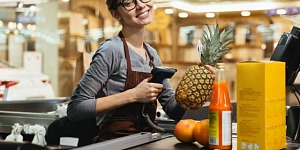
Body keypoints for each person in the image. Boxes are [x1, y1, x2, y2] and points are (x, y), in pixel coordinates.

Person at [67, 0, 216, 142]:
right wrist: (133, 95)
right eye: (128, 3)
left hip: (147, 141)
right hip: (114, 143)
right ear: (115, 14)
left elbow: (173, 110)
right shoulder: (111, 50)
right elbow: (76, 109)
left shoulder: (152, 55)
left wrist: (191, 91)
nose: (140, 5)